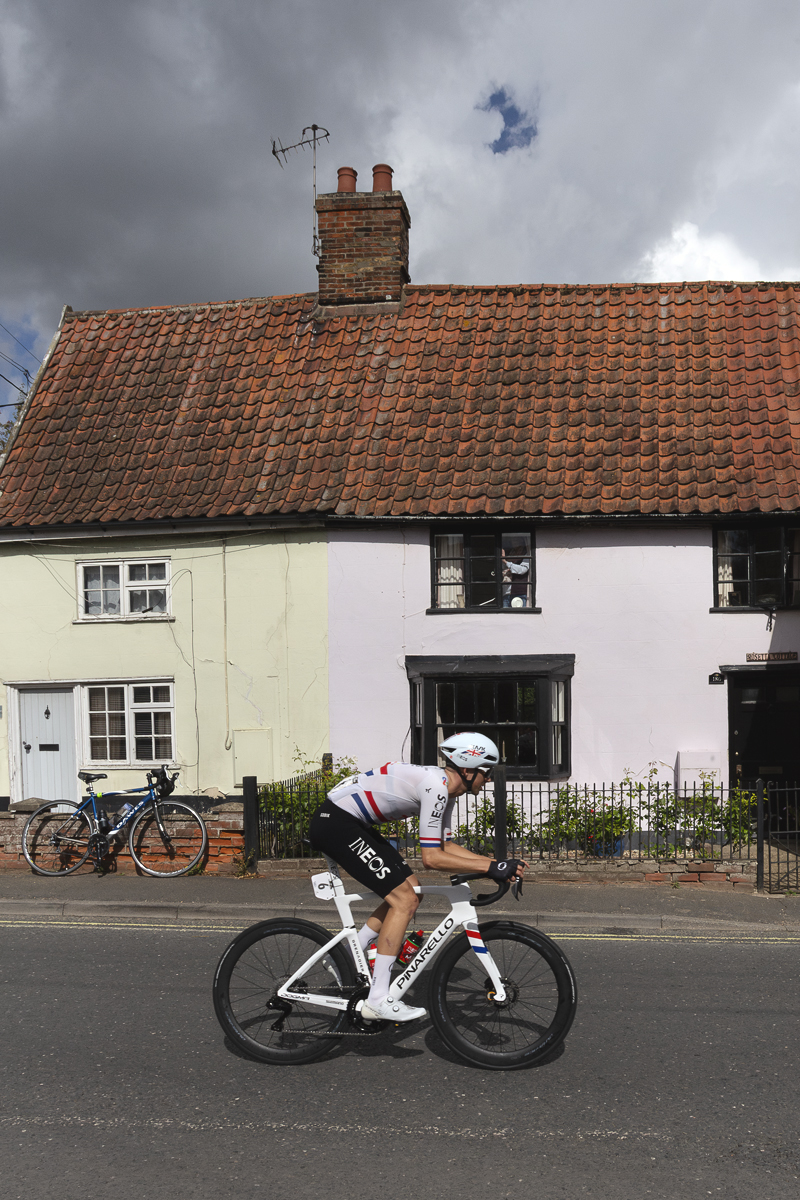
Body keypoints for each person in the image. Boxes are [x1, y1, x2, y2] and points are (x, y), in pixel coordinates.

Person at [309, 733, 527, 1023]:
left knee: (413, 891)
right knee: (404, 900)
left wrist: (496, 864)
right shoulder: (435, 787)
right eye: (485, 773)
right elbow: (432, 858)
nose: (487, 780)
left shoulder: (446, 790)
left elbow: (446, 846)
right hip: (337, 824)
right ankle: (377, 999)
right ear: (467, 769)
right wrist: (492, 869)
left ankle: (348, 954)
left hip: (351, 823)